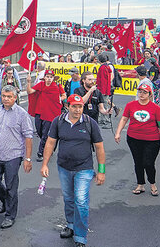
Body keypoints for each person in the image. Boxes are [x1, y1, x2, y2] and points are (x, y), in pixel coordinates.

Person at [40, 94, 106, 247]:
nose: (77, 110)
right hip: (64, 168)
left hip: (84, 169)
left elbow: (99, 147)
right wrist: (44, 164)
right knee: (68, 199)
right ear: (67, 106)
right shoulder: (58, 122)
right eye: (74, 106)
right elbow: (50, 143)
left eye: (80, 107)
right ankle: (70, 225)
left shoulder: (90, 123)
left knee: (81, 201)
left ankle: (81, 236)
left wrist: (101, 171)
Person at [0, 85, 33, 229]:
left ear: (15, 98)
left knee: (11, 186)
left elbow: (28, 136)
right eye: (4, 96)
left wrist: (27, 159)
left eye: (9, 96)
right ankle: (6, 201)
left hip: (13, 155)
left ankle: (10, 215)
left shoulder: (22, 114)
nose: (6, 99)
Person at [115, 84, 160, 196]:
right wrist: (118, 132)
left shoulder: (156, 108)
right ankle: (140, 184)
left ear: (150, 94)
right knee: (138, 162)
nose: (141, 94)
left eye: (144, 92)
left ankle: (152, 184)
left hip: (152, 140)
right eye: (140, 92)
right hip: (134, 139)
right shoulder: (131, 105)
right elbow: (124, 119)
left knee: (148, 163)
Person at [26, 70, 66, 162]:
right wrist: (28, 82)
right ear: (44, 78)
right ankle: (50, 147)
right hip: (39, 112)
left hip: (51, 113)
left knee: (45, 134)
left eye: (51, 77)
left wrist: (59, 98)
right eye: (47, 77)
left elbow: (64, 95)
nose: (49, 79)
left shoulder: (57, 86)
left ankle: (41, 152)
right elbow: (30, 91)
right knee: (39, 131)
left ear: (53, 78)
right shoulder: (41, 85)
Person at [96, 54, 113, 129]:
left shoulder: (102, 68)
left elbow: (102, 80)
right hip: (106, 89)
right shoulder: (107, 67)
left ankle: (106, 120)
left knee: (104, 104)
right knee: (104, 104)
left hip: (103, 89)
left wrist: (101, 91)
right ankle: (103, 119)